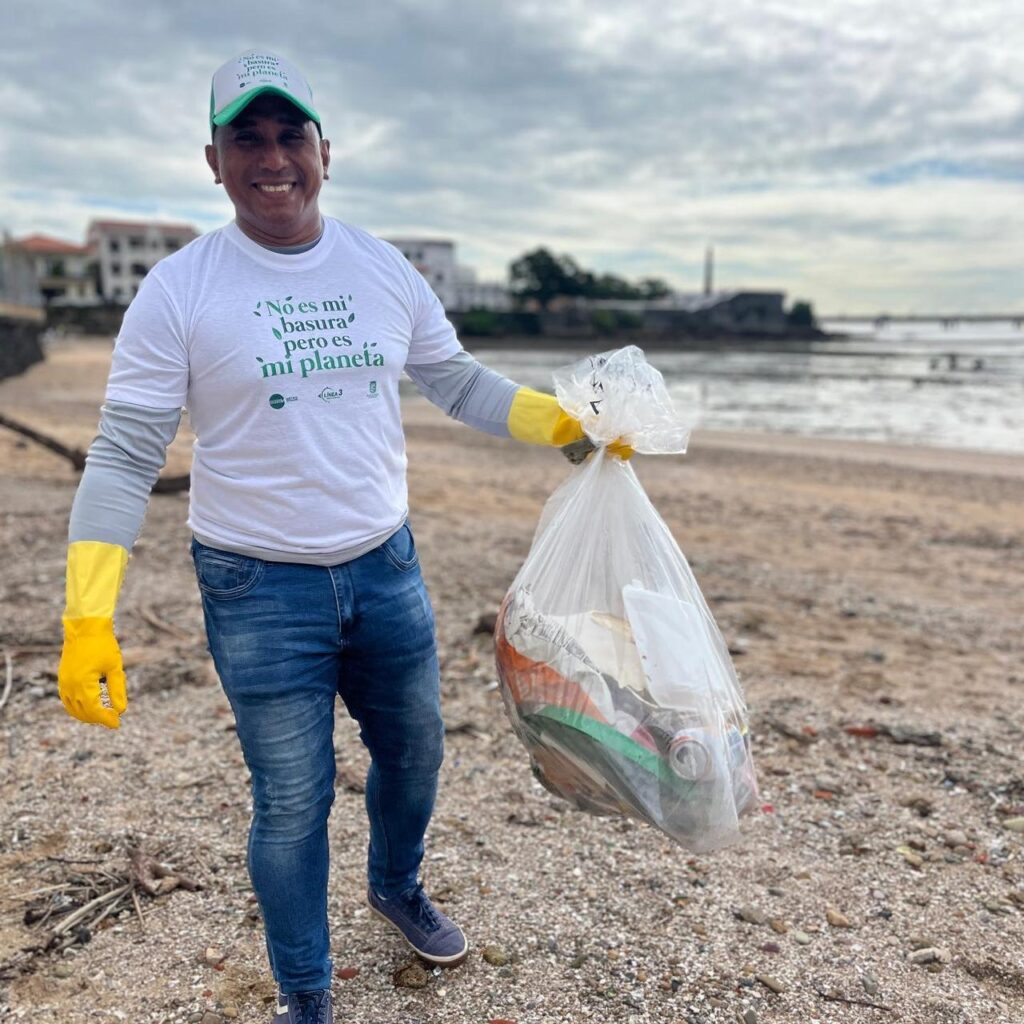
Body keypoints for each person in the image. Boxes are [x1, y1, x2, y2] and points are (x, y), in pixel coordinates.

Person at [56, 51, 628, 1024]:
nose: (272, 158)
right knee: (290, 800)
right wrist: (85, 615)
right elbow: (120, 456)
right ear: (214, 159)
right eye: (249, 138)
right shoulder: (177, 290)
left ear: (326, 150)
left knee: (415, 755)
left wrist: (560, 422)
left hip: (385, 566)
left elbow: (455, 381)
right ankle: (307, 994)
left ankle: (395, 883)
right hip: (255, 587)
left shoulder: (378, 267)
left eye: (290, 136)